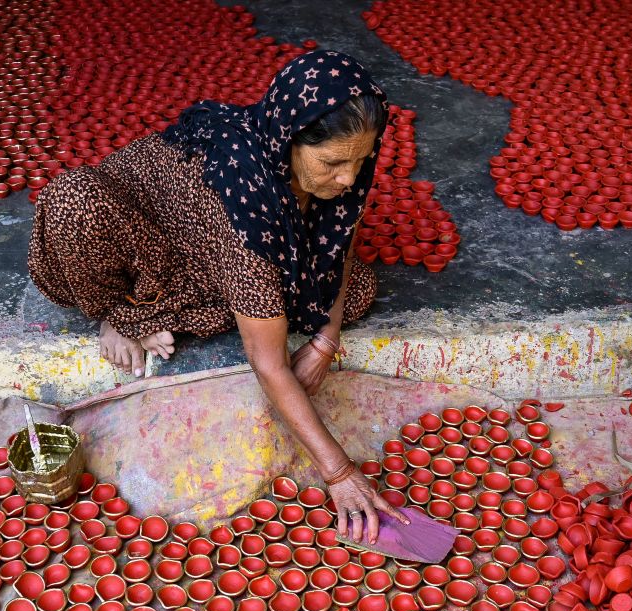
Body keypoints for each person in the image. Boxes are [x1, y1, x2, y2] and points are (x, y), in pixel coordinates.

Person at [28, 51, 409, 542]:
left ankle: (202, 303)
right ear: (287, 141)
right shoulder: (245, 200)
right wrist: (339, 473)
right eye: (333, 163)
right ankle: (118, 310)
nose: (350, 179)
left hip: (214, 246)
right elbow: (267, 363)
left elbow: (342, 248)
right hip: (138, 226)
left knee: (351, 292)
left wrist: (324, 341)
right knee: (73, 201)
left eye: (361, 159)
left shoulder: (331, 170)